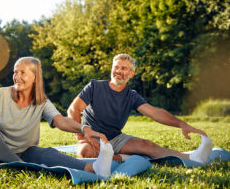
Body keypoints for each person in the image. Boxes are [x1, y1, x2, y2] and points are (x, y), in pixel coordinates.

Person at [0, 56, 114, 177]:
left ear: (35, 77)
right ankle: (19, 165)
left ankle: (94, 168)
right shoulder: (2, 94)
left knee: (47, 153)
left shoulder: (42, 102)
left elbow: (61, 121)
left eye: (22, 72)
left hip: (26, 153)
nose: (17, 77)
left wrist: (84, 128)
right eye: (15, 72)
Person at [68, 53, 213, 164]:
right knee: (85, 152)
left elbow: (155, 113)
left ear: (131, 74)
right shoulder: (95, 86)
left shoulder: (132, 96)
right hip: (91, 137)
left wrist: (181, 124)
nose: (118, 71)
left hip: (116, 138)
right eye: (116, 67)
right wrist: (81, 137)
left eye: (123, 68)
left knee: (147, 145)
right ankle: (121, 157)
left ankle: (193, 158)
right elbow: (73, 110)